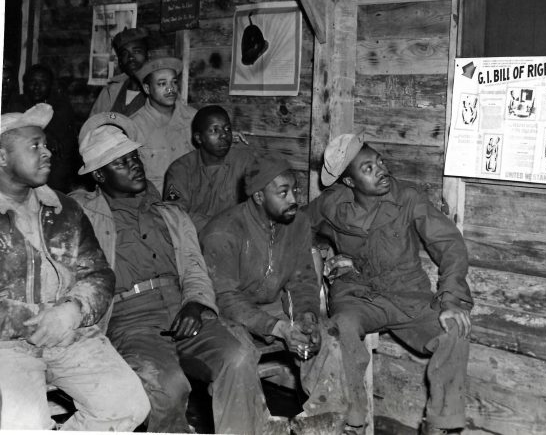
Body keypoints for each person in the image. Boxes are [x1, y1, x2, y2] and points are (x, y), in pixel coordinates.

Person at [70, 116, 261, 434]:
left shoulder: (169, 213)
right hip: (130, 320)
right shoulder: (85, 215)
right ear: (99, 175)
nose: (135, 165)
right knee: (169, 384)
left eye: (134, 157)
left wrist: (197, 302)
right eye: (121, 163)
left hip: (184, 309)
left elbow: (195, 270)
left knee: (237, 357)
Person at [309, 134, 473, 435]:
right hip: (356, 293)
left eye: (379, 162)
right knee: (340, 327)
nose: (381, 170)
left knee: (455, 332)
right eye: (368, 168)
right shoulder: (331, 204)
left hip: (407, 294)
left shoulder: (407, 198)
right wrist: (324, 250)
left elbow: (450, 245)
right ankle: (351, 423)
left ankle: (441, 426)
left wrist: (450, 299)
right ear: (349, 182)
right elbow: (296, 228)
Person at [0, 104, 149, 430]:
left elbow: (98, 272)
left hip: (71, 333)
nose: (47, 153)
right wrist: (36, 320)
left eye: (46, 145)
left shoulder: (64, 208)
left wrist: (73, 309)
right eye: (34, 146)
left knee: (129, 404)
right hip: (7, 347)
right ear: (2, 158)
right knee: (23, 425)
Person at [201, 157, 348, 434]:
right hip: (226, 312)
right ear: (258, 196)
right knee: (238, 351)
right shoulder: (223, 231)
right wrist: (279, 328)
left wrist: (306, 316)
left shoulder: (298, 223)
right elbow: (225, 298)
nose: (293, 199)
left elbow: (302, 278)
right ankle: (257, 426)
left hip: (271, 306)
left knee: (328, 335)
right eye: (283, 193)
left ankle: (322, 422)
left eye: (294, 190)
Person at [164, 105, 257, 232]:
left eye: (227, 129)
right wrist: (222, 224)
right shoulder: (180, 169)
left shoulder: (245, 161)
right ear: (198, 138)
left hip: (237, 239)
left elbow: (259, 206)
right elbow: (175, 214)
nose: (224, 135)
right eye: (214, 130)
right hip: (193, 241)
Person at [6, 64, 78, 191]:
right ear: (24, 84)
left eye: (43, 82)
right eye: (32, 82)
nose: (36, 87)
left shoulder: (61, 107)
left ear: (50, 85)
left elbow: (64, 148)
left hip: (54, 170)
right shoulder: (17, 103)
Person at [130, 56, 196, 193]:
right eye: (162, 84)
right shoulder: (134, 126)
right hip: (156, 207)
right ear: (147, 89)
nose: (171, 89)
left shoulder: (194, 118)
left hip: (194, 201)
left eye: (174, 82)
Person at [90, 26, 149, 116]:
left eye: (136, 51)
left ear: (148, 55)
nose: (131, 57)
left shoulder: (158, 91)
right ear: (120, 61)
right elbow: (92, 125)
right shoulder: (109, 91)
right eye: (124, 53)